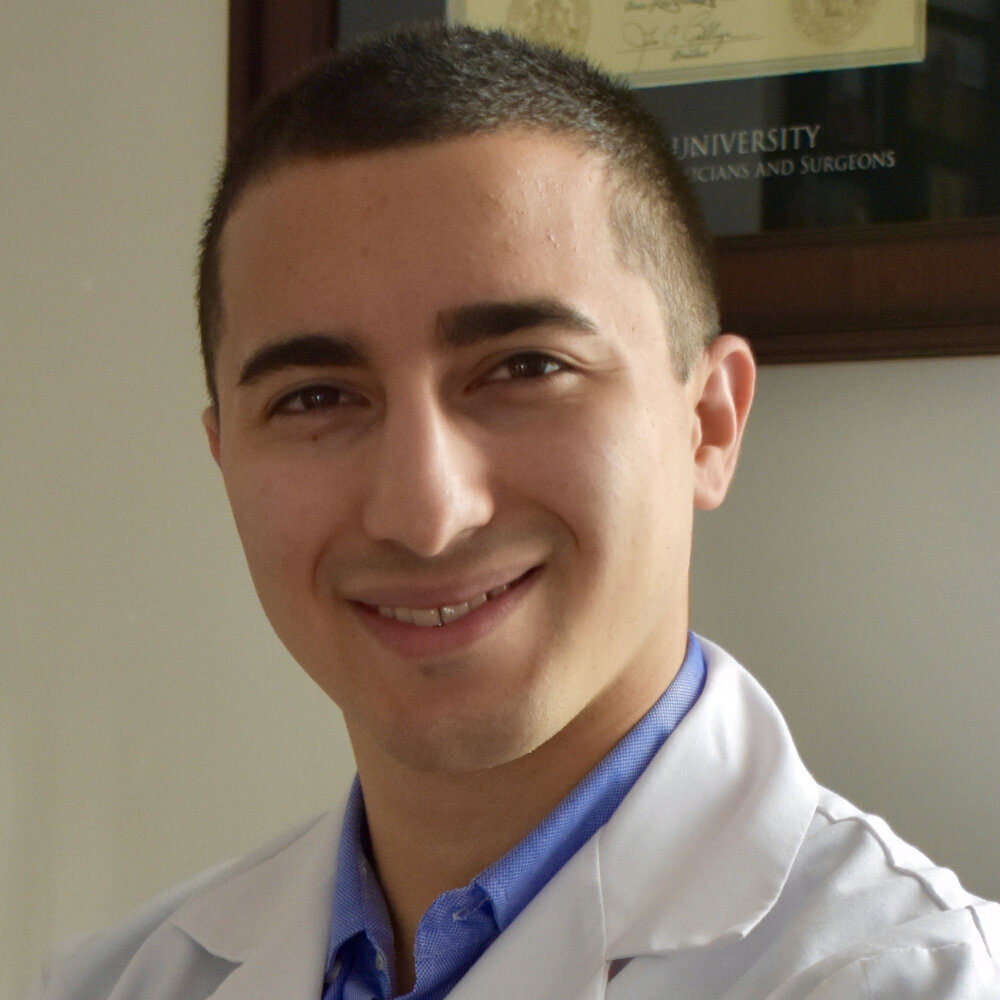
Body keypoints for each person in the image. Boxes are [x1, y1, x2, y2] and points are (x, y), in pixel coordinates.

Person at [32, 24, 1000, 1000]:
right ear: (225, 460)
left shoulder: (914, 979)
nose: (424, 511)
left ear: (708, 422)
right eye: (316, 396)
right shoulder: (117, 981)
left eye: (524, 368)